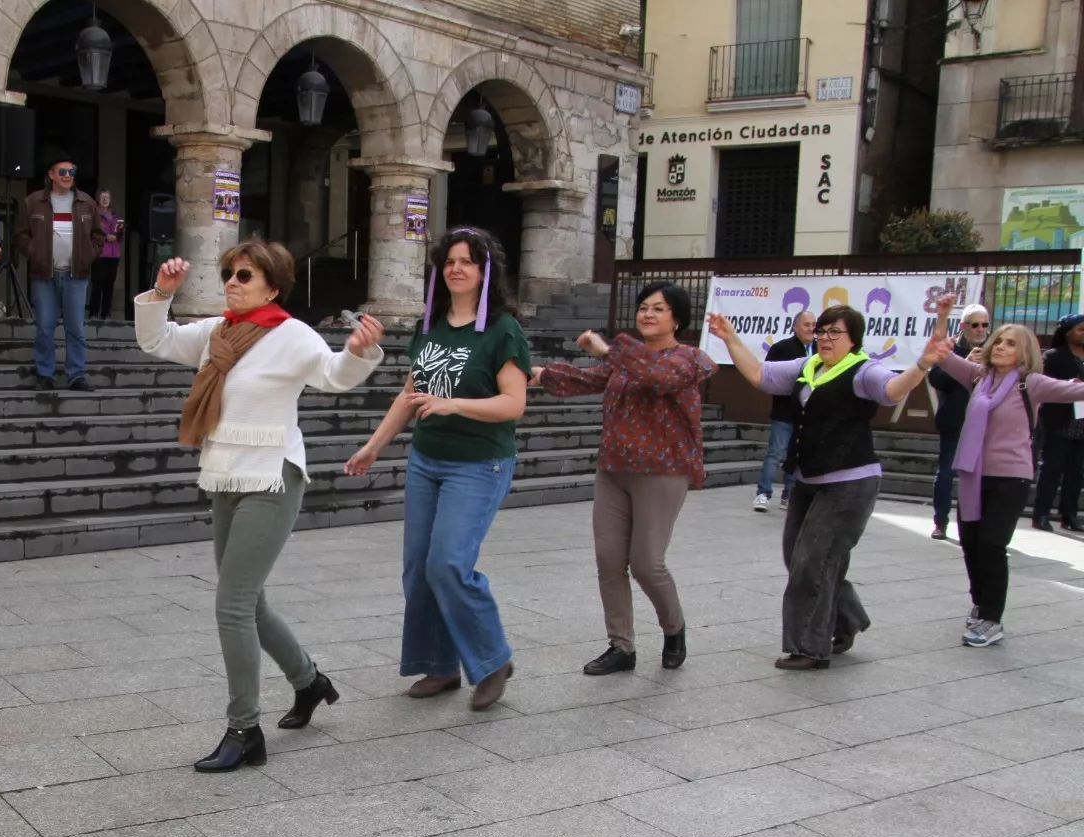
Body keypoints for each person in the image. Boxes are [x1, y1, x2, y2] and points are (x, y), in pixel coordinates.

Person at [136, 242, 385, 771]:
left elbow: (334, 375)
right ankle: (310, 682)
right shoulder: (215, 332)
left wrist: (360, 351)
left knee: (232, 603)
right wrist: (162, 292)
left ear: (271, 287)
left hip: (272, 477)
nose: (232, 281)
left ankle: (244, 729)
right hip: (225, 473)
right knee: (251, 602)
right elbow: (155, 338)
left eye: (244, 275)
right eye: (228, 272)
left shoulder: (291, 334)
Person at [345, 226, 530, 711]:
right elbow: (410, 395)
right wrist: (373, 446)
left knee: (449, 563)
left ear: (486, 271)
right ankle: (441, 664)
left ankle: (492, 661)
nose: (456, 268)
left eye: (468, 260)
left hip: (479, 462)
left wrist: (454, 405)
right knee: (419, 570)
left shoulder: (502, 329)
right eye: (449, 260)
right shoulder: (430, 325)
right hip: (428, 461)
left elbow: (513, 404)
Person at [709, 305, 941, 669]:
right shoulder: (808, 366)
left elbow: (892, 391)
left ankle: (810, 648)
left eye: (835, 333)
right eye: (822, 331)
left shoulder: (864, 371)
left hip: (850, 483)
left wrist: (922, 365)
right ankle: (846, 619)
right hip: (807, 479)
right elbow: (759, 374)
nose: (826, 338)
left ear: (854, 339)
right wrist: (730, 338)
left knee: (811, 562)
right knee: (799, 558)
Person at [537, 283, 714, 676]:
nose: (647, 314)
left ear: (677, 318)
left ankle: (675, 628)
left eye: (659, 309)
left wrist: (608, 350)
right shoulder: (623, 360)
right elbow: (587, 379)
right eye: (643, 307)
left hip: (663, 472)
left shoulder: (690, 359)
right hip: (613, 470)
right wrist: (537, 373)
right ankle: (621, 646)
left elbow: (659, 377)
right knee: (609, 560)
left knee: (647, 563)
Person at [929, 307, 1084, 646]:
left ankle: (991, 618)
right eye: (998, 341)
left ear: (1024, 350)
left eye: (1009, 344)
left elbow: (1076, 392)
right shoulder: (977, 377)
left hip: (1012, 476)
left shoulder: (1033, 383)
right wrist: (942, 316)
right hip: (974, 473)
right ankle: (980, 603)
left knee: (992, 544)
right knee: (970, 543)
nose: (999, 347)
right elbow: (940, 353)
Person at [17, 153, 107, 391]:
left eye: (72, 172)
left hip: (76, 275)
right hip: (44, 274)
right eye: (63, 172)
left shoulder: (86, 202)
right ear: (52, 175)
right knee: (45, 327)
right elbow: (21, 235)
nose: (68, 176)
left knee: (75, 328)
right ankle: (45, 373)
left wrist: (89, 254)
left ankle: (76, 374)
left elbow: (98, 235)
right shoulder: (33, 202)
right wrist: (34, 252)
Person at [926, 304, 988, 539]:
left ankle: (975, 525)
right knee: (946, 473)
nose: (981, 329)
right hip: (954, 421)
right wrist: (965, 364)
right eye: (975, 325)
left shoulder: (995, 348)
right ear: (964, 326)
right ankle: (940, 521)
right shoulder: (951, 348)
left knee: (978, 477)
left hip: (984, 423)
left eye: (985, 324)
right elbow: (936, 379)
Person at [754, 310, 814, 513]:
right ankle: (763, 494)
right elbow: (769, 376)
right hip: (784, 412)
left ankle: (789, 496)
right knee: (775, 453)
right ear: (795, 327)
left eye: (814, 324)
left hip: (807, 415)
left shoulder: (819, 350)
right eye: (806, 324)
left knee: (796, 457)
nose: (811, 329)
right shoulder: (782, 348)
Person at [1031, 313, 1084, 532]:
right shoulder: (1053, 357)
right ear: (1067, 332)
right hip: (1059, 423)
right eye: (1080, 329)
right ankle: (1041, 514)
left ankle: (1069, 515)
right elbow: (1042, 385)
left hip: (1082, 425)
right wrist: (1066, 385)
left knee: (1076, 472)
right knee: (1052, 469)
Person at [89, 189, 124, 320]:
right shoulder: (94, 216)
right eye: (103, 197)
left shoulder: (116, 217)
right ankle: (93, 313)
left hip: (114, 255)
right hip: (100, 253)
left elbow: (120, 237)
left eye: (107, 197)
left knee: (109, 285)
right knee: (97, 284)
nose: (105, 200)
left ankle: (106, 313)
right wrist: (105, 237)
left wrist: (118, 235)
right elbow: (91, 233)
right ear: (98, 199)